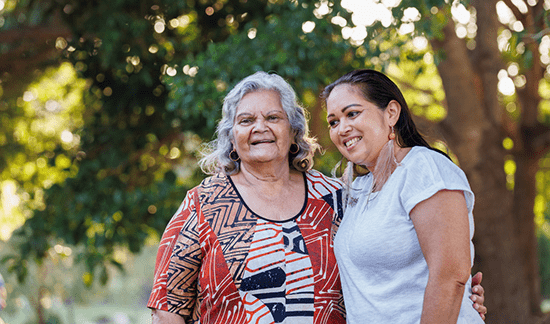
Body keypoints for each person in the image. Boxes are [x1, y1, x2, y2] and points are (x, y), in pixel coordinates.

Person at [147, 71, 486, 323]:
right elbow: (167, 305)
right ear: (231, 137)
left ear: (293, 132)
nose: (259, 127)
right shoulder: (204, 204)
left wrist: (461, 298)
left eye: (273, 117)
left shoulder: (334, 196)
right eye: (246, 120)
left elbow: (442, 270)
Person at [323, 69, 486, 323]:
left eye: (352, 113)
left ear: (391, 113)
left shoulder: (423, 169)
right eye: (333, 122)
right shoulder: (359, 190)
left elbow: (450, 277)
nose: (342, 128)